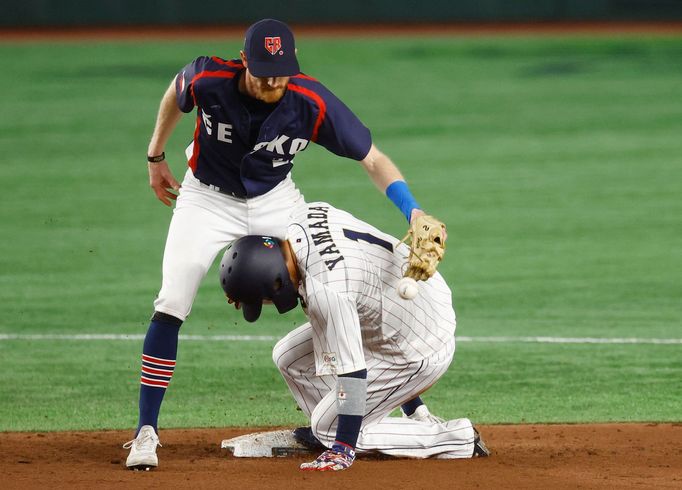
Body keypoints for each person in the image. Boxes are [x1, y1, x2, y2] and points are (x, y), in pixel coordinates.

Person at [124, 19, 437, 470]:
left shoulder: (310, 99)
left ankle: (413, 407)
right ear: (244, 59)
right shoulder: (210, 77)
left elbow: (372, 158)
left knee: (329, 287)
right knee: (171, 299)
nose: (273, 80)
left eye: (281, 70)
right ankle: (146, 432)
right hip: (206, 198)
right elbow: (175, 94)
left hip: (276, 200)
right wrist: (156, 155)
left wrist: (414, 211)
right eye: (264, 69)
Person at [219, 203, 490, 472]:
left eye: (262, 298)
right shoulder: (302, 217)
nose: (266, 303)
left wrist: (342, 447)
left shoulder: (326, 290)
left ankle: (454, 439)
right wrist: (410, 405)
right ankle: (338, 429)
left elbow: (353, 372)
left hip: (419, 346)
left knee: (329, 429)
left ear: (275, 281)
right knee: (289, 359)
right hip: (409, 307)